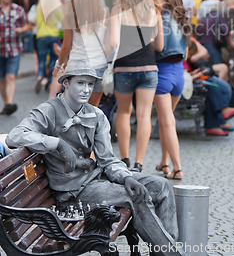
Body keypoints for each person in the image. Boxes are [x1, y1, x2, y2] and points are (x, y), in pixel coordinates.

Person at [5, 58, 186, 256]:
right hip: (73, 192)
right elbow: (16, 135)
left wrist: (126, 177)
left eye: (90, 84)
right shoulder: (49, 110)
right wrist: (56, 143)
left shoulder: (97, 115)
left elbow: (107, 159)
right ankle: (171, 254)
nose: (86, 89)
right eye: (80, 83)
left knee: (162, 186)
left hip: (97, 179)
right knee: (135, 198)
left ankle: (163, 251)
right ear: (66, 83)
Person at [109, 0, 163, 172]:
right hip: (149, 68)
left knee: (123, 112)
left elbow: (114, 42)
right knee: (144, 115)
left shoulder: (118, 9)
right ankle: (139, 163)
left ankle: (124, 159)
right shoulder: (153, 11)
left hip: (124, 68)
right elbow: (159, 45)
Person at [52, 0, 109, 108]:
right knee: (92, 110)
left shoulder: (70, 15)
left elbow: (66, 47)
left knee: (73, 110)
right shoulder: (106, 12)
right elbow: (108, 43)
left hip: (77, 66)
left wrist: (58, 67)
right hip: (98, 67)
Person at [154, 0, 191, 181]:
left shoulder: (158, 17)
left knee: (167, 122)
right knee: (166, 120)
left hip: (162, 73)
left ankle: (177, 168)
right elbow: (186, 53)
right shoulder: (183, 19)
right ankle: (164, 162)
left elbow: (157, 47)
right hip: (179, 74)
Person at [186, 40, 234, 136]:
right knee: (211, 87)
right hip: (188, 85)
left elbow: (205, 53)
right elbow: (182, 78)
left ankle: (219, 118)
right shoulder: (180, 55)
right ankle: (216, 121)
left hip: (191, 80)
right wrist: (195, 75)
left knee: (220, 85)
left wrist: (194, 74)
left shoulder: (187, 43)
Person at [0, 0, 29, 115]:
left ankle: (10, 103)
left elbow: (27, 26)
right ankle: (7, 104)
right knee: (1, 79)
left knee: (11, 77)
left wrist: (21, 30)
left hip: (14, 48)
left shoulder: (18, 10)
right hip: (0, 49)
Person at [35, 0, 62, 93]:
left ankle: (40, 77)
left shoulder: (39, 7)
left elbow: (37, 21)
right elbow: (63, 19)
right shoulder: (55, 8)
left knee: (41, 59)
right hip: (54, 36)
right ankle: (50, 81)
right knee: (53, 60)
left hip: (41, 36)